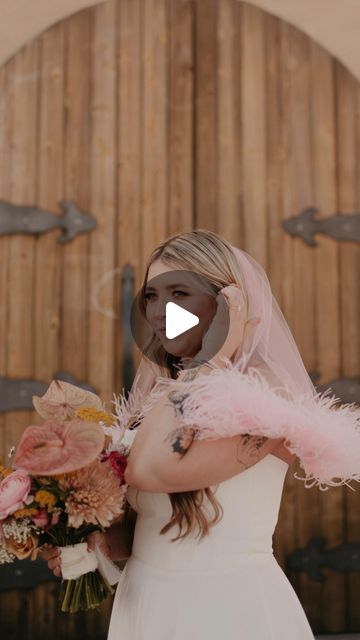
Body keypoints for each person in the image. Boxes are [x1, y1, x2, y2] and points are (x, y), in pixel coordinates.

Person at [44, 229, 316, 639]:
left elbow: (152, 470)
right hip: (147, 603)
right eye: (152, 296)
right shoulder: (161, 393)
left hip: (224, 608)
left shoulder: (267, 394)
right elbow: (150, 527)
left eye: (180, 293)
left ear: (228, 303)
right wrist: (87, 542)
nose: (160, 311)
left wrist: (212, 357)